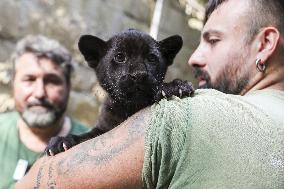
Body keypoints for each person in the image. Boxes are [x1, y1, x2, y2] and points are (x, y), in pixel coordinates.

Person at [16, 0, 284, 188]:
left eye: (213, 41)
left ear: (265, 44)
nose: (194, 58)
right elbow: (100, 134)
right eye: (119, 58)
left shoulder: (180, 117)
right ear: (97, 59)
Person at [0, 35, 88, 189]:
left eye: (52, 81)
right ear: (14, 83)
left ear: (68, 87)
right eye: (29, 79)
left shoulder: (89, 147)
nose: (40, 93)